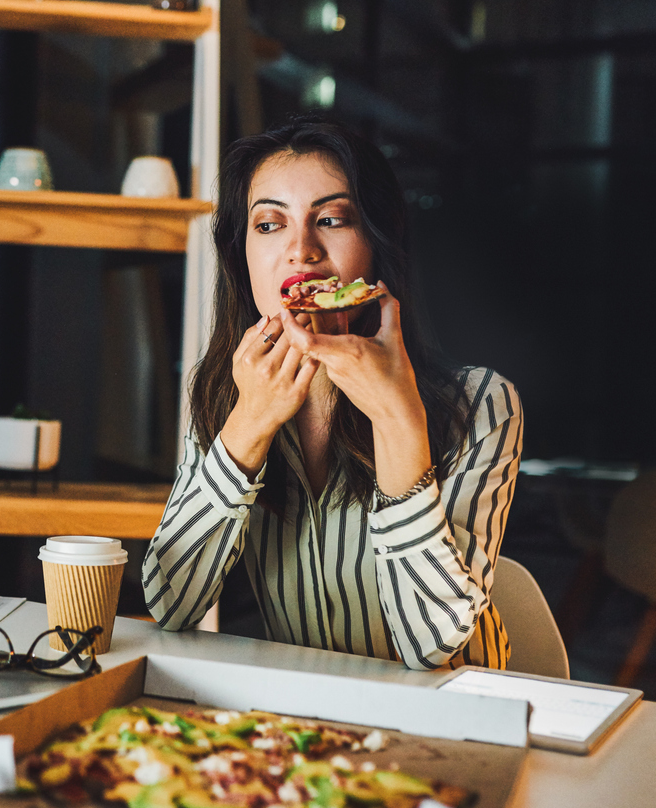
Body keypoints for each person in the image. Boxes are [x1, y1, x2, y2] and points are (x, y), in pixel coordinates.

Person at [142, 114, 521, 670]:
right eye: (269, 224)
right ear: (241, 256)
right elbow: (171, 604)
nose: (301, 250)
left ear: (377, 242)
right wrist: (249, 424)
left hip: (453, 730)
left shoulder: (481, 402)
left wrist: (397, 420)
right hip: (305, 730)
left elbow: (431, 647)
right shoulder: (229, 395)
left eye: (333, 219)